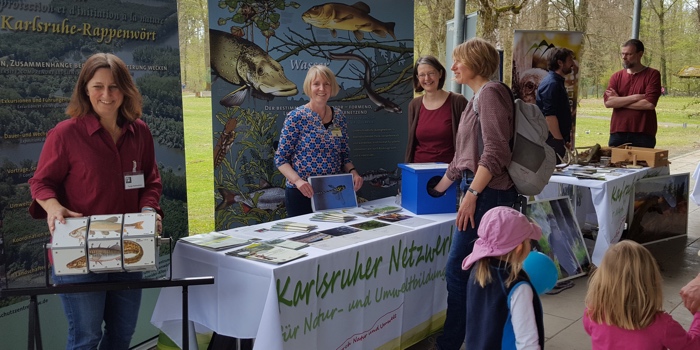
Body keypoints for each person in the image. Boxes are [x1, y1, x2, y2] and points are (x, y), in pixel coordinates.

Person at [28, 53, 163, 349]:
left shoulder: (140, 131)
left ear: (126, 89)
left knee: (122, 336)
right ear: (85, 90)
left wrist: (148, 209)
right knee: (86, 338)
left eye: (114, 86)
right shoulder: (65, 134)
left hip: (130, 250)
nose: (106, 94)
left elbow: (151, 180)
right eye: (98, 86)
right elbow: (40, 182)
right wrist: (52, 206)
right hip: (79, 253)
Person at [430, 37, 520, 350]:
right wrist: (436, 190)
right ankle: (481, 338)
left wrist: (471, 193)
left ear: (476, 64)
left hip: (488, 195)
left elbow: (496, 151)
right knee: (482, 272)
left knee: (459, 270)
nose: (452, 67)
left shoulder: (491, 93)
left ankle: (453, 342)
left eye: (458, 61)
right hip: (478, 190)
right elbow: (462, 158)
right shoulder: (477, 97)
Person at [274, 65, 363, 217]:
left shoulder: (339, 116)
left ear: (332, 87)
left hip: (332, 192)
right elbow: (280, 159)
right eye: (316, 84)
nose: (322, 88)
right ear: (309, 87)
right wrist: (298, 181)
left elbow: (344, 156)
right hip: (301, 192)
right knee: (304, 239)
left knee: (334, 236)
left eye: (326, 83)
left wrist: (353, 173)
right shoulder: (296, 117)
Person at [584, 240, 700, 349]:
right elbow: (693, 346)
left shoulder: (592, 314)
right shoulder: (663, 325)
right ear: (651, 282)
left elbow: (591, 331)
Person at [462, 206, 544, 349]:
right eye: (528, 241)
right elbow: (527, 341)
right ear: (519, 247)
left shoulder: (478, 270)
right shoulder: (518, 286)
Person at [405, 55, 467, 163]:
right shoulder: (414, 105)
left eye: (431, 73)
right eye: (422, 75)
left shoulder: (458, 102)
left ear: (440, 74)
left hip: (450, 172)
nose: (427, 78)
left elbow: (469, 141)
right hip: (419, 171)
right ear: (417, 78)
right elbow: (412, 144)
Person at [604, 39, 662, 148]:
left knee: (643, 164)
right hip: (618, 132)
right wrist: (636, 97)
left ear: (640, 54)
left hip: (643, 133)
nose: (624, 57)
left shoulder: (652, 74)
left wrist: (620, 101)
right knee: (615, 164)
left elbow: (649, 104)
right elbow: (608, 102)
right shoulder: (616, 77)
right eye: (622, 53)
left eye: (629, 54)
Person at [536, 48, 576, 161]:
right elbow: (549, 116)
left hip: (555, 140)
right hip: (552, 142)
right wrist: (559, 142)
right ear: (560, 62)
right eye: (570, 60)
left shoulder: (556, 82)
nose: (572, 64)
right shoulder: (552, 84)